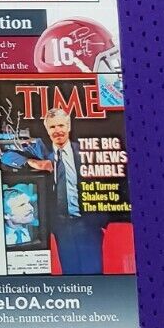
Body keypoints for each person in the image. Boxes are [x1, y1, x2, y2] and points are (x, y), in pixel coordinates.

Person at [24, 108, 105, 273]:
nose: (57, 131)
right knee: (70, 273)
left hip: (87, 224)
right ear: (47, 130)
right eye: (52, 127)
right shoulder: (42, 153)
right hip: (61, 227)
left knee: (94, 273)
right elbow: (8, 156)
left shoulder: (84, 151)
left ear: (69, 127)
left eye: (61, 125)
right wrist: (34, 163)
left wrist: (100, 221)